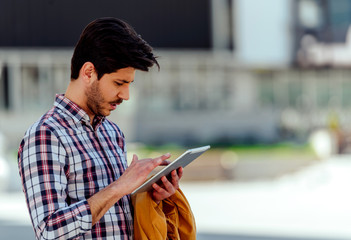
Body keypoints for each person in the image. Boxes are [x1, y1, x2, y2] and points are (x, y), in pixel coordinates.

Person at [18, 17, 183, 240]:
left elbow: (114, 219)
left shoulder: (112, 133)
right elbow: (49, 230)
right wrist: (118, 187)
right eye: (118, 83)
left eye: (128, 84)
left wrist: (153, 196)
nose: (126, 95)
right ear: (88, 72)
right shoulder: (45, 136)